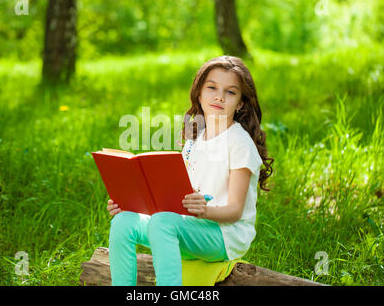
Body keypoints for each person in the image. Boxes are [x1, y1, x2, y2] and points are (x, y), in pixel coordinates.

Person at [106, 55, 274, 286]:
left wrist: (204, 210)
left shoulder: (239, 143)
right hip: (187, 227)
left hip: (223, 236)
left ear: (241, 103)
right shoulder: (195, 136)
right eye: (212, 87)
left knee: (163, 223)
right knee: (123, 222)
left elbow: (235, 211)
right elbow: (175, 196)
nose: (219, 96)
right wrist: (130, 203)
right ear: (199, 93)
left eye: (230, 92)